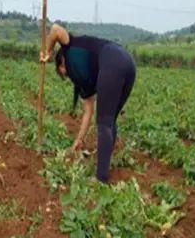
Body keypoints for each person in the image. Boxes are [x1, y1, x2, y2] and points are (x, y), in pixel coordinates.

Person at [41, 23, 136, 183]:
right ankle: (105, 164)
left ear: (61, 61)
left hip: (112, 60)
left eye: (61, 70)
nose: (64, 74)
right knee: (109, 120)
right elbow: (88, 111)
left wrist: (48, 50)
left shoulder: (69, 46)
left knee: (104, 122)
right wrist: (79, 139)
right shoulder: (83, 80)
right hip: (127, 63)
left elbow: (55, 29)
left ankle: (101, 179)